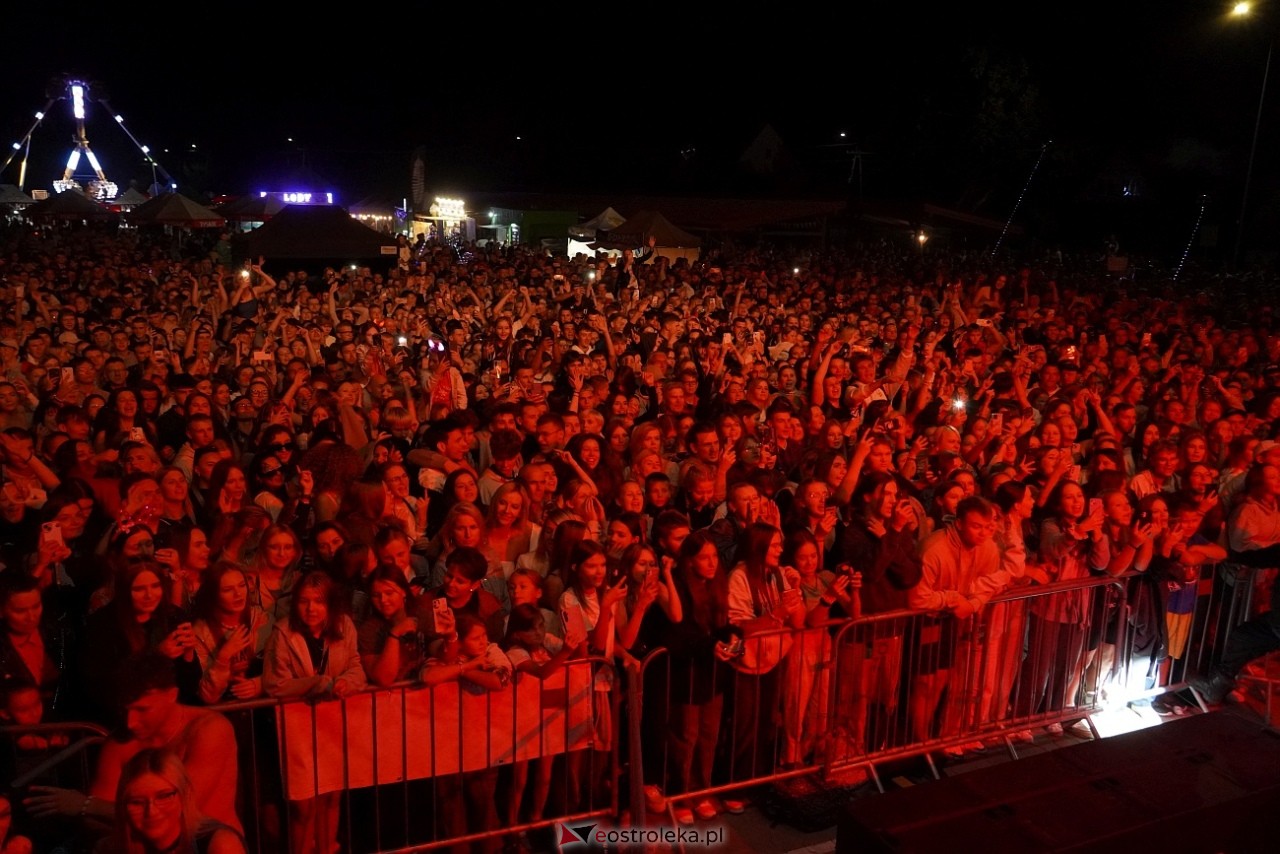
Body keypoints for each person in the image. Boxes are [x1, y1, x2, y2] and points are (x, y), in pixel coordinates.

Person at [24, 650, 241, 834]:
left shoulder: (209, 729)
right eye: (126, 711)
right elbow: (92, 821)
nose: (131, 722)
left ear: (171, 695)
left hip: (209, 843)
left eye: (142, 709)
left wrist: (87, 805)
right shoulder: (121, 743)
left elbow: (183, 811)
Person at [262, 571, 366, 854]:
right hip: (297, 730)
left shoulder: (344, 626)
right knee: (303, 806)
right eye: (304, 601)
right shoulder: (283, 632)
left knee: (331, 798)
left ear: (330, 604)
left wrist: (348, 683)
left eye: (318, 602)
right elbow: (273, 684)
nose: (311, 609)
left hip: (333, 727)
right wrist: (316, 684)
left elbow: (355, 666)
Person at [104, 747, 245, 854]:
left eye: (164, 796)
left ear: (185, 795)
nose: (151, 811)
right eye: (137, 802)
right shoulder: (111, 848)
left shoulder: (220, 845)